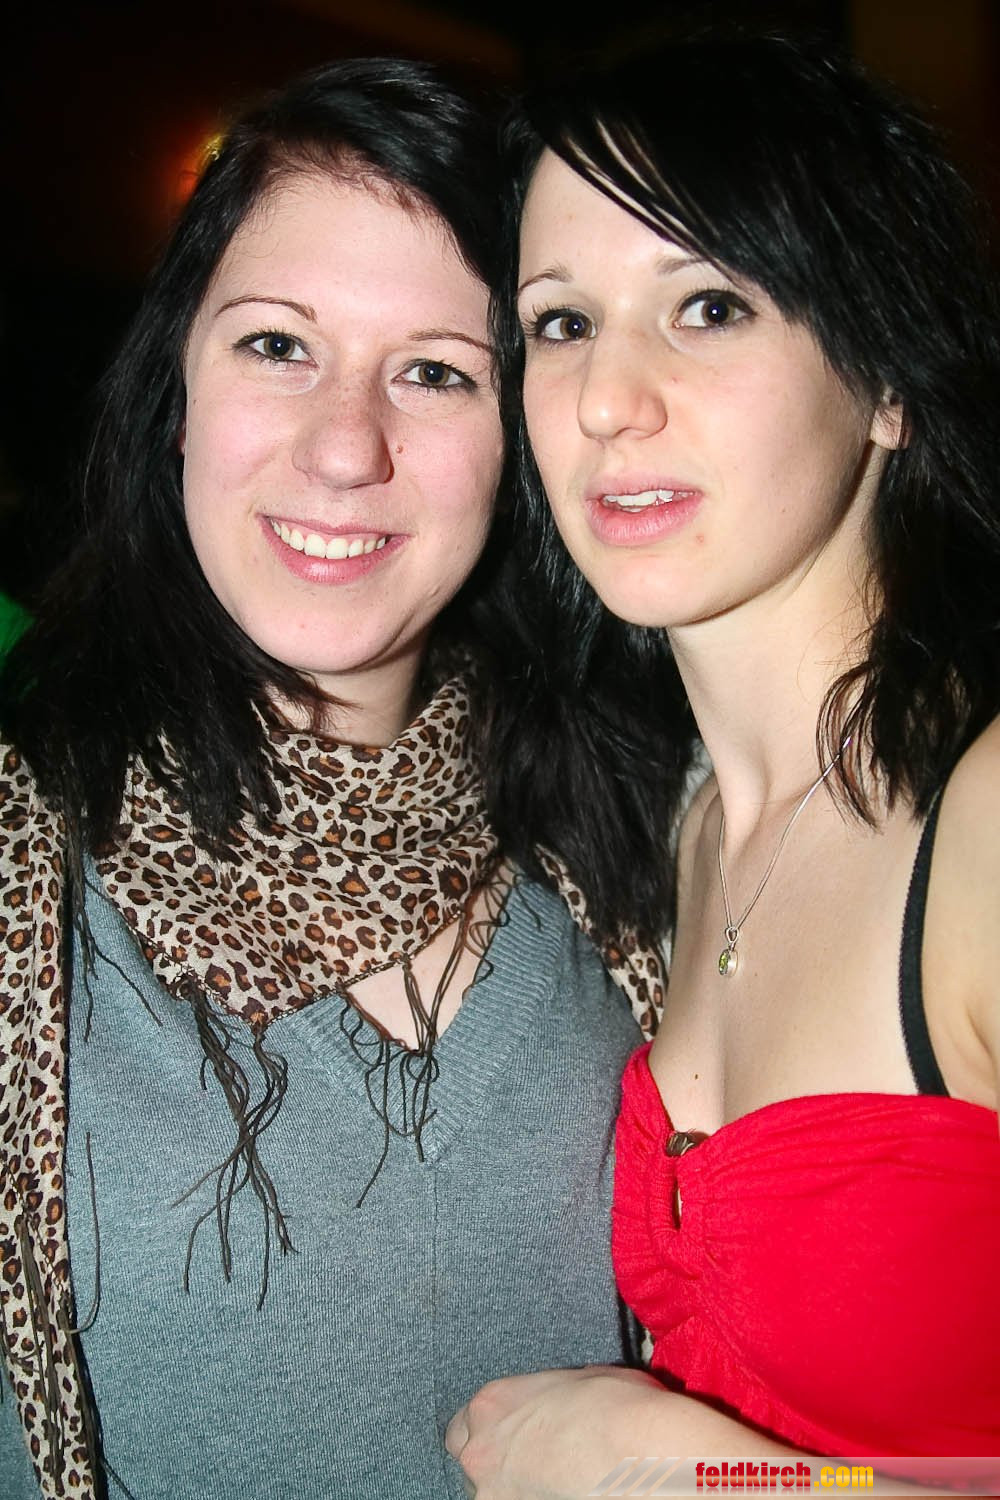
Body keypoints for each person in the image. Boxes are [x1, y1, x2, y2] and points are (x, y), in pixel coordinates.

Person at [0, 58, 661, 1500]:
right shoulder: (24, 882)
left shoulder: (648, 866)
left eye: (436, 371)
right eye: (277, 345)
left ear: (525, 443)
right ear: (177, 392)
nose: (348, 446)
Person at [448, 29, 1000, 1497]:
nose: (606, 400)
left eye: (708, 304)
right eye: (562, 323)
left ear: (886, 379)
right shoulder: (671, 825)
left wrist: (695, 1478)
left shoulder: (987, 822)